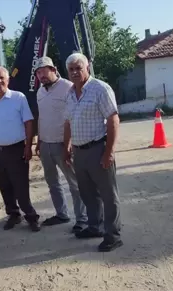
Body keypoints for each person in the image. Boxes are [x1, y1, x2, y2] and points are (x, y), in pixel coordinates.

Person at [63, 53, 123, 252]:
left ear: (87, 66)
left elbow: (113, 120)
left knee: (108, 194)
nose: (74, 72)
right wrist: (67, 147)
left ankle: (113, 235)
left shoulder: (100, 89)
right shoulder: (70, 94)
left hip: (98, 149)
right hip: (80, 153)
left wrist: (109, 152)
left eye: (78, 68)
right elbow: (69, 122)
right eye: (71, 69)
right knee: (88, 194)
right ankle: (94, 226)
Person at [33, 57, 88, 233]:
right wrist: (39, 140)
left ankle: (83, 219)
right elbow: (42, 117)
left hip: (63, 145)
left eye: (44, 71)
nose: (41, 75)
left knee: (75, 183)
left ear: (54, 69)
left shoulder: (67, 87)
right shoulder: (40, 92)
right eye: (38, 72)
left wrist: (68, 144)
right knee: (52, 182)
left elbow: (72, 117)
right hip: (46, 144)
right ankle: (61, 214)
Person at [0, 66, 40, 232]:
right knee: (5, 186)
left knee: (20, 186)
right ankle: (13, 214)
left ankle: (31, 216)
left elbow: (28, 123)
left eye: (2, 78)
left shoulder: (18, 98)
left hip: (16, 149)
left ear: (8, 79)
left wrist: (28, 146)